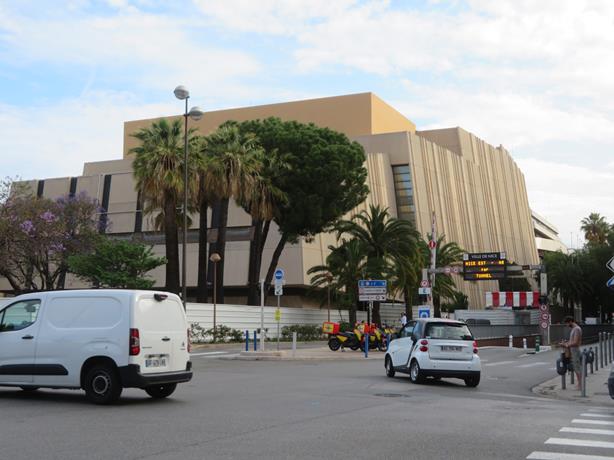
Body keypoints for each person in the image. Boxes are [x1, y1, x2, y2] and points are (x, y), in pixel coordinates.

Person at [560, 316, 582, 390]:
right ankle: (579, 384)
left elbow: (575, 342)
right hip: (573, 350)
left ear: (570, 321)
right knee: (575, 367)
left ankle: (580, 385)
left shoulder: (577, 329)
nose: (567, 325)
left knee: (577, 367)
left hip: (575, 351)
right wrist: (566, 343)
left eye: (567, 323)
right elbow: (572, 341)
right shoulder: (574, 329)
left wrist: (566, 345)